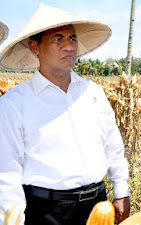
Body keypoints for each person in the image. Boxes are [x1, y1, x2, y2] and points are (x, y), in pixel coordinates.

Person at [0, 4, 130, 224]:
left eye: (72, 39)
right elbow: (7, 173)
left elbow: (112, 146)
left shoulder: (94, 93)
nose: (69, 47)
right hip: (48, 211)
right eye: (58, 39)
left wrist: (122, 190)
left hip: (99, 205)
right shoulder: (13, 104)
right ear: (34, 47)